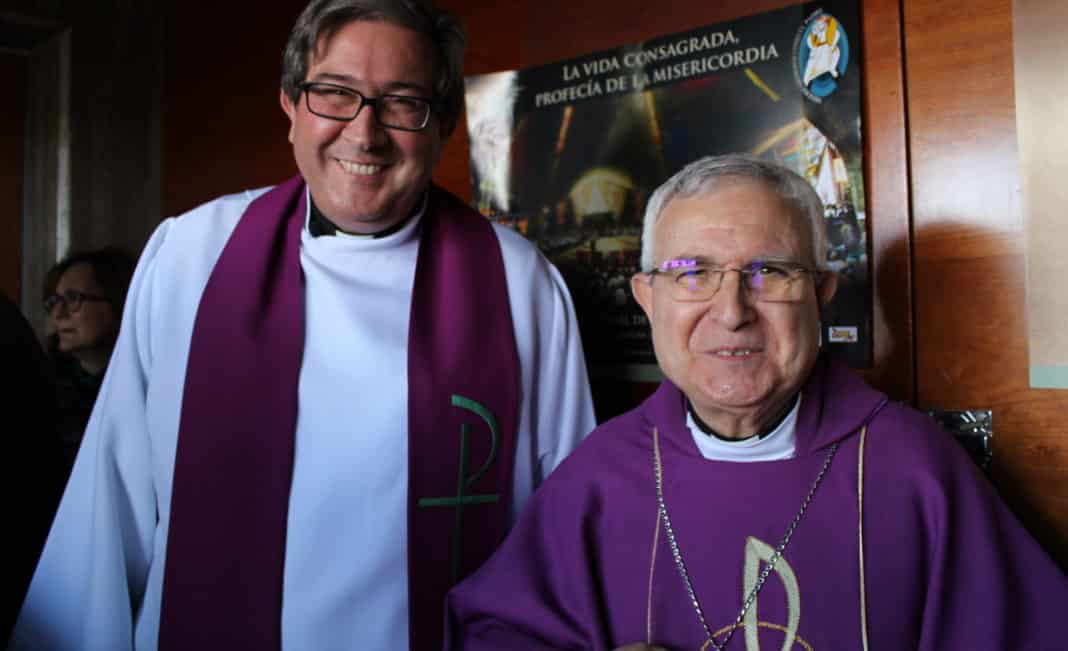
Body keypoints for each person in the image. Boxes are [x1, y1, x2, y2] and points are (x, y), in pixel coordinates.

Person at [10, 1, 595, 649]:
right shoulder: (191, 255)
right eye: (334, 93)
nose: (363, 133)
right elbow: (110, 498)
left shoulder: (520, 284)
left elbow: (561, 528)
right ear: (291, 103)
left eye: (401, 102)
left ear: (444, 122)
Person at [445, 154, 1068, 650]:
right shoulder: (599, 474)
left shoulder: (914, 469)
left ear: (821, 293)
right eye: (692, 272)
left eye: (770, 272)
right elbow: (497, 633)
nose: (732, 311)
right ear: (646, 296)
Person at [42, 248, 135, 471]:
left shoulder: (150, 388)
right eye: (54, 301)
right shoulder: (41, 387)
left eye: (73, 299)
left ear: (118, 301)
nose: (58, 314)